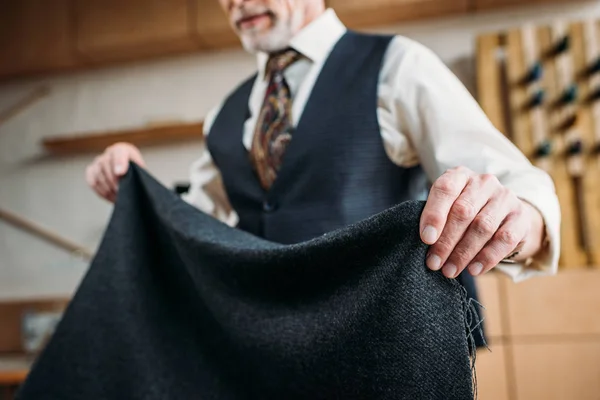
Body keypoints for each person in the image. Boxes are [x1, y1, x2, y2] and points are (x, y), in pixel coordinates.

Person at [85, 1, 560, 312]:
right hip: (265, 353)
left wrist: (520, 219)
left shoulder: (396, 64)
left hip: (389, 347)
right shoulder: (223, 117)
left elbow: (515, 184)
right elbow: (200, 225)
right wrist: (136, 184)